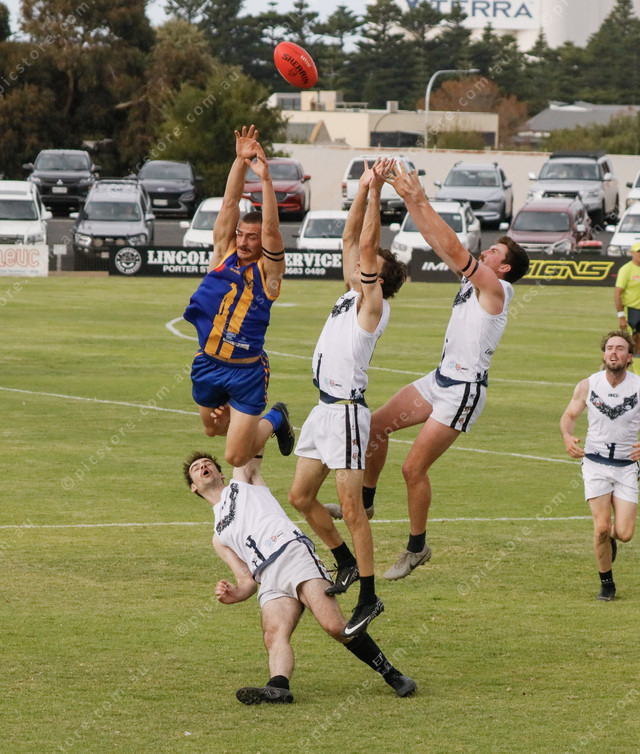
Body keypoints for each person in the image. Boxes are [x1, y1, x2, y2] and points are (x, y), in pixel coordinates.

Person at [363, 162, 530, 581]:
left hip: (463, 391)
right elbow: (438, 241)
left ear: (504, 268)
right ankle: (365, 503)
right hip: (440, 379)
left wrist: (417, 196)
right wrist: (410, 200)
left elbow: (454, 248)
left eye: (494, 253)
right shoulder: (474, 282)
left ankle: (416, 548)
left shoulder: (496, 288)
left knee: (413, 469)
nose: (485, 253)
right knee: (374, 427)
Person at [183, 450, 417, 704]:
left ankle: (392, 674)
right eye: (196, 467)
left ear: (220, 474)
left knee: (335, 627)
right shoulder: (218, 537)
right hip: (268, 577)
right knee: (273, 634)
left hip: (293, 554)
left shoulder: (243, 482)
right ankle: (278, 687)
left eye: (208, 463)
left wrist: (272, 426)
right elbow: (246, 580)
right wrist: (234, 594)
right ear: (194, 487)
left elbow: (251, 443)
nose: (203, 466)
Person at [288, 158, 407, 637]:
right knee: (300, 496)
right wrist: (361, 188)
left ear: (377, 276)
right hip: (323, 411)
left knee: (353, 509)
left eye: (367, 264)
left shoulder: (371, 306)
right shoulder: (348, 295)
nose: (358, 262)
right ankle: (345, 562)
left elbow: (366, 244)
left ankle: (369, 596)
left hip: (346, 415)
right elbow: (349, 238)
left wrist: (377, 193)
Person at [183, 125, 294, 468]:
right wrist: (240, 161)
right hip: (208, 363)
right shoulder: (223, 255)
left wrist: (265, 179)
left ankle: (275, 418)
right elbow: (230, 203)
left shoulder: (269, 274)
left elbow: (272, 230)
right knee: (212, 429)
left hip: (246, 373)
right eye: (241, 234)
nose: (243, 241)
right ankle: (240, 420)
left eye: (251, 237)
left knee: (234, 456)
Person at [560, 330, 640, 601]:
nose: (613, 352)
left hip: (627, 465)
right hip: (595, 462)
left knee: (625, 533)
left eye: (620, 348)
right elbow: (569, 416)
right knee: (602, 527)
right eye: (609, 348)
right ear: (604, 355)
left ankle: (610, 540)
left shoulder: (638, 387)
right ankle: (607, 584)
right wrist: (567, 436)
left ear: (629, 357)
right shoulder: (588, 385)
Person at [614, 242, 640, 374]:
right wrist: (621, 316)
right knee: (634, 345)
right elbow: (618, 293)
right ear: (632, 253)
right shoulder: (626, 270)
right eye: (638, 252)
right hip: (632, 311)